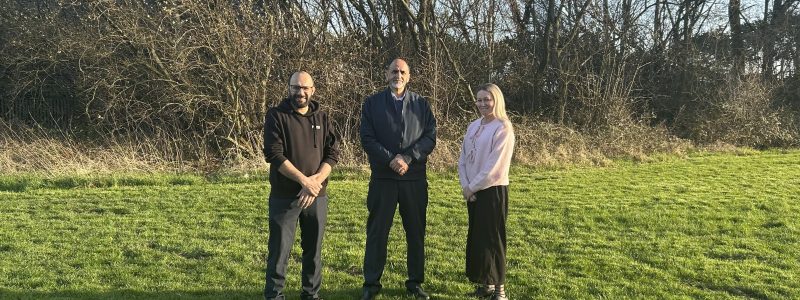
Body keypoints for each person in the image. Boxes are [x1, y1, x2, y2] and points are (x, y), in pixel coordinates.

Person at [359, 58, 437, 300]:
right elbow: (367, 138)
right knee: (377, 232)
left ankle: (415, 283)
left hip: (414, 179)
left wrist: (408, 158)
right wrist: (390, 159)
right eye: (394, 71)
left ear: (409, 76)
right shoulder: (372, 103)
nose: (398, 75)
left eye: (403, 72)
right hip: (383, 178)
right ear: (387, 74)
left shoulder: (421, 104)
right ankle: (371, 284)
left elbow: (430, 137)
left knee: (415, 233)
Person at [263, 71, 340, 300]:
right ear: (289, 88)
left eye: (305, 88)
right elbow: (274, 154)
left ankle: (311, 294)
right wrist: (304, 181)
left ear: (312, 90)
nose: (300, 92)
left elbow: (332, 154)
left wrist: (315, 182)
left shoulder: (322, 118)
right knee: (279, 251)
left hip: (317, 196)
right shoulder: (276, 116)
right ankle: (274, 295)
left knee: (313, 251)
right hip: (285, 196)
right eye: (296, 87)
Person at [457, 83, 515, 300]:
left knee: (493, 240)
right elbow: (463, 159)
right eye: (479, 100)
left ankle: (500, 291)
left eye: (487, 99)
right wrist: (466, 187)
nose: (482, 104)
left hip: (492, 191)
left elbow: (494, 167)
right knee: (479, 239)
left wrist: (472, 187)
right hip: (472, 191)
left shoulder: (503, 128)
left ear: (496, 100)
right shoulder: (473, 126)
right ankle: (486, 285)